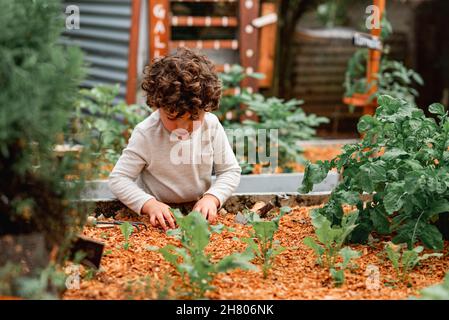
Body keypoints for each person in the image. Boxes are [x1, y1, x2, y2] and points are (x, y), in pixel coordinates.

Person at [108, 48, 241, 230]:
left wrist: (212, 198)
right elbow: (119, 178)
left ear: (206, 108)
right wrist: (149, 204)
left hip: (198, 214)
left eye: (193, 119)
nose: (182, 127)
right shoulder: (146, 133)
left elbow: (230, 171)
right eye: (172, 118)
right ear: (157, 105)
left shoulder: (211, 125)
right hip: (158, 218)